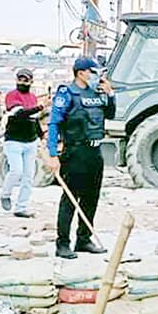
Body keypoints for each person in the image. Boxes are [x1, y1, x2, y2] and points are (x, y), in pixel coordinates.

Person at [46, 57, 115, 259]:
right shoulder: (67, 94)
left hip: (95, 152)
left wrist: (111, 95)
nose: (96, 76)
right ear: (81, 73)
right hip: (75, 152)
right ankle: (63, 243)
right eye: (93, 72)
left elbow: (110, 114)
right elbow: (54, 124)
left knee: (91, 198)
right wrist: (52, 154)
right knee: (70, 198)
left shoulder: (96, 93)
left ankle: (83, 239)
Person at [1, 69, 46, 218]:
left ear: (31, 82)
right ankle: (5, 193)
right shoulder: (11, 96)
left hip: (30, 141)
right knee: (16, 171)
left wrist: (41, 135)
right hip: (14, 140)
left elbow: (34, 119)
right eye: (20, 79)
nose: (22, 82)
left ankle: (21, 207)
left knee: (28, 176)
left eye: (25, 80)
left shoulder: (33, 98)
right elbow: (20, 114)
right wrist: (40, 107)